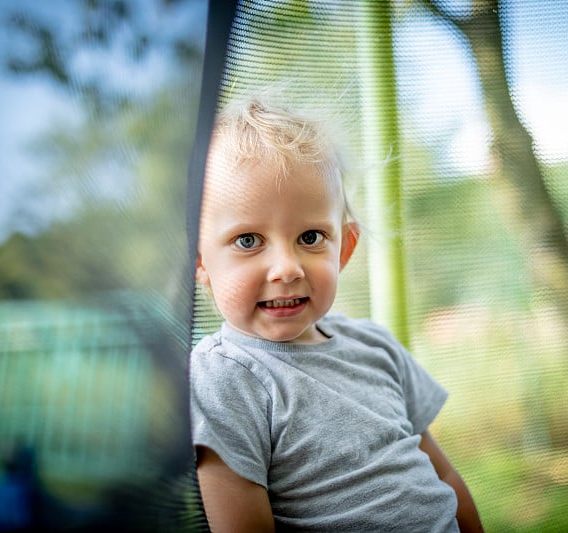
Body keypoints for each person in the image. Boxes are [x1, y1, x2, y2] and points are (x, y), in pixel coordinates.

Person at [190, 96, 484, 532]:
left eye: (310, 236)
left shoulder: (374, 345)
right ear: (199, 263)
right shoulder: (226, 378)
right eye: (248, 240)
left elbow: (443, 476)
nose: (287, 268)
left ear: (344, 248)